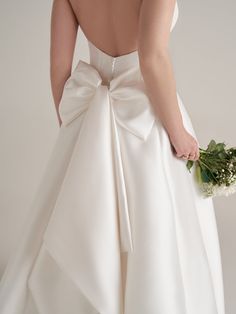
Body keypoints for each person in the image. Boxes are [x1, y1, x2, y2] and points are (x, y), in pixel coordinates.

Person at [0, 0, 225, 313]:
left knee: (80, 227)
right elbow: (152, 58)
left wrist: (74, 124)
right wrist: (179, 135)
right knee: (157, 232)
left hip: (89, 113)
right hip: (149, 124)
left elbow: (58, 68)